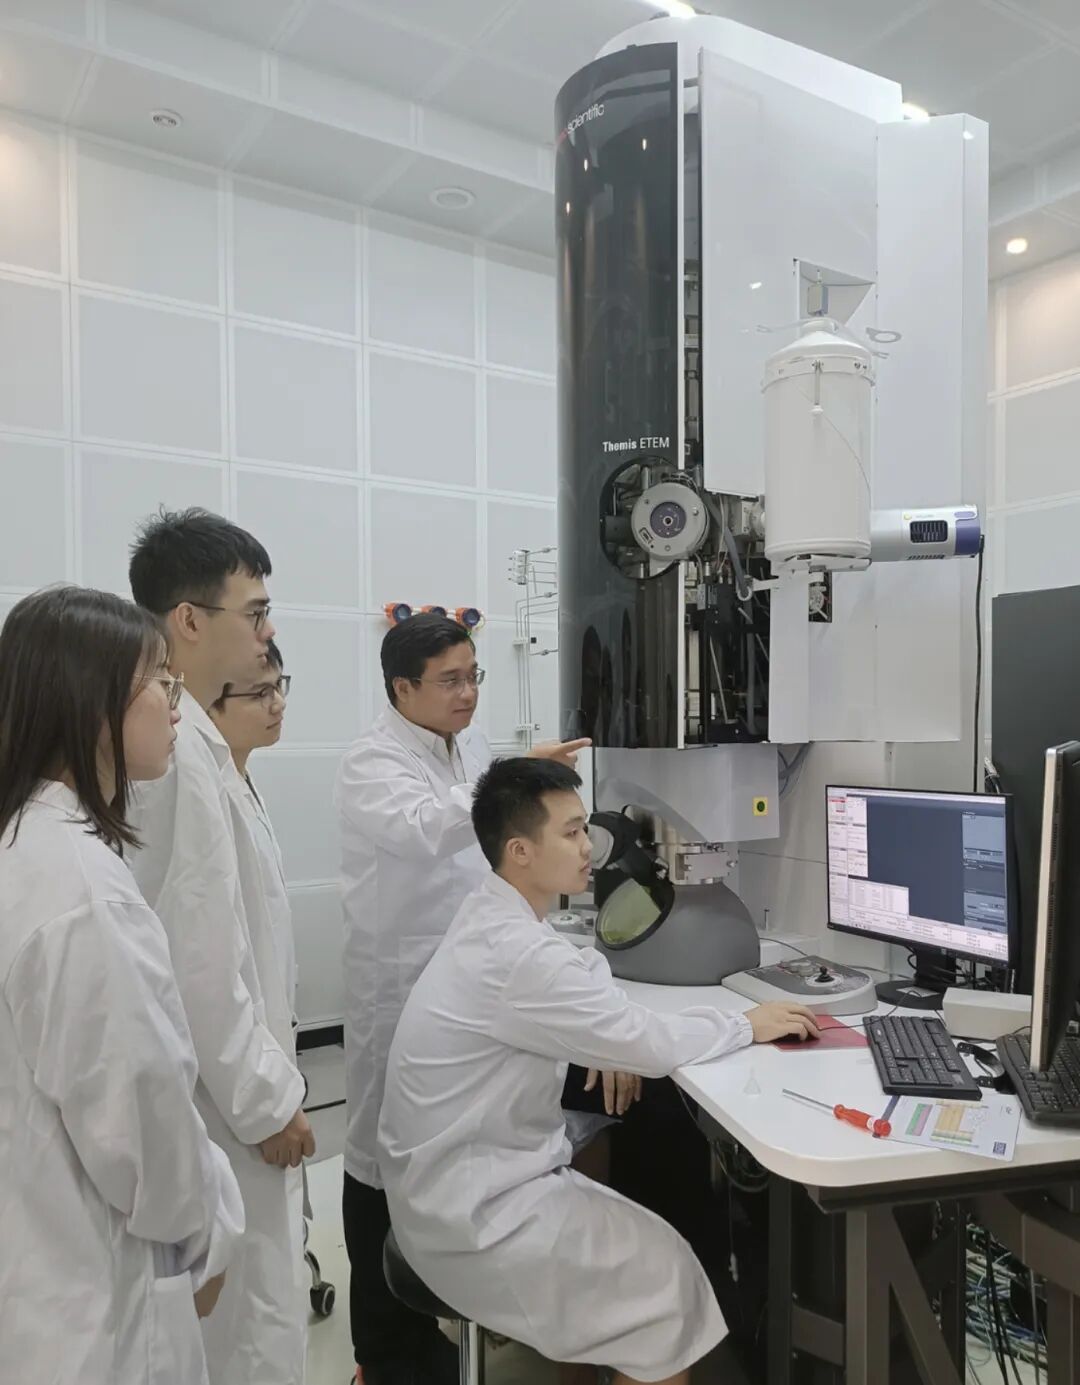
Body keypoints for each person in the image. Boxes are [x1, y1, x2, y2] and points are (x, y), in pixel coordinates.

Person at [378, 758, 819, 1385]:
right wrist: (748, 1024)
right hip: (475, 1217)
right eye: (571, 832)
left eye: (586, 829)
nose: (589, 846)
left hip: (451, 1190)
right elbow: (648, 1043)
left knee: (645, 1248)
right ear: (520, 851)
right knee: (667, 1277)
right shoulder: (518, 953)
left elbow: (587, 989)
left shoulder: (492, 916)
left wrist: (600, 1038)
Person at [335, 613, 590, 1385]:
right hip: (398, 986)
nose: (468, 692)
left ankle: (448, 1313)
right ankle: (381, 1355)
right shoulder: (371, 760)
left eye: (473, 675)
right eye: (449, 679)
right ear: (401, 686)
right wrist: (508, 780)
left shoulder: (469, 748)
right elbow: (424, 827)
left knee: (444, 1150)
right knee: (377, 1161)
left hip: (463, 984)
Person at [0, 586, 245, 1384]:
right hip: (101, 1312)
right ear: (94, 700)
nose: (176, 703)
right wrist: (204, 1238)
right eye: (161, 682)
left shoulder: (26, 846)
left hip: (40, 1283)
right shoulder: (83, 890)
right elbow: (141, 1120)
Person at [128, 509, 311, 1385]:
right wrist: (267, 1103)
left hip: (230, 1098)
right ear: (189, 620)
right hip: (228, 1112)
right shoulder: (180, 759)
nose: (268, 632)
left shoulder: (202, 747)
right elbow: (198, 962)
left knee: (256, 1320)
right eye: (256, 612)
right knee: (250, 1337)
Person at [208, 637, 296, 1019]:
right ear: (208, 703)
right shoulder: (209, 793)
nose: (278, 703)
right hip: (239, 1013)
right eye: (260, 693)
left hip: (270, 1002)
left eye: (278, 686)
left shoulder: (240, 777)